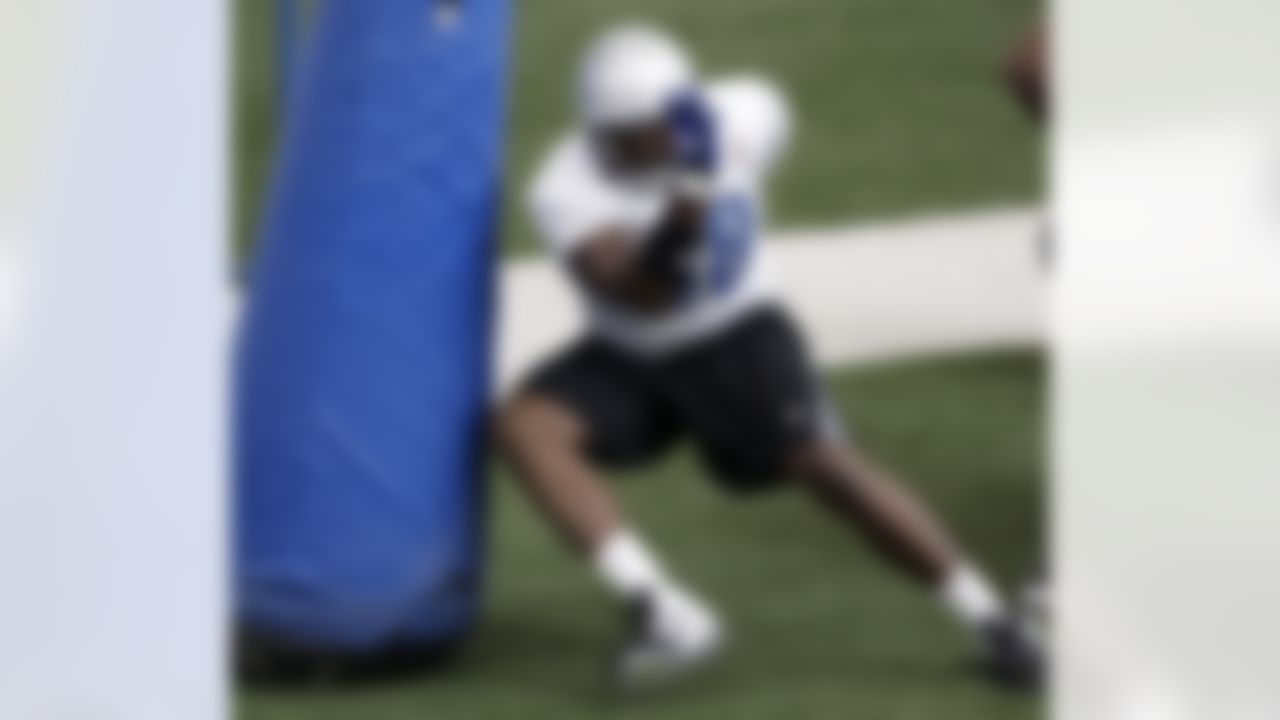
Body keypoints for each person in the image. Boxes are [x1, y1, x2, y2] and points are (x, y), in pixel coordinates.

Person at [495, 23, 1042, 692]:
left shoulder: (744, 112)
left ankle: (993, 623)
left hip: (741, 335)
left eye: (636, 131)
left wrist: (711, 185)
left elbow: (766, 117)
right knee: (526, 424)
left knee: (828, 468)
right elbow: (642, 293)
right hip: (632, 350)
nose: (622, 147)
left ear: (674, 114)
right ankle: (660, 610)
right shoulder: (566, 187)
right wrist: (687, 208)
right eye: (609, 133)